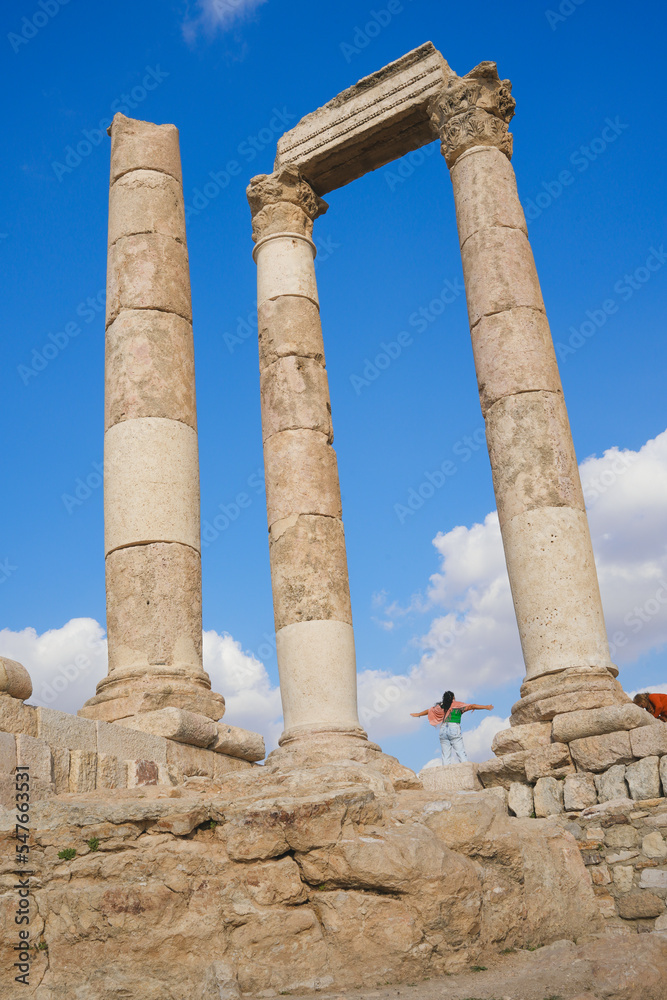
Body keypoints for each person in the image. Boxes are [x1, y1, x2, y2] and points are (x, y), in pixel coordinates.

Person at [410, 690, 494, 765]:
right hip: (454, 727)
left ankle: (446, 773)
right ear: (453, 698)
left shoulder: (441, 706)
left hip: (443, 730)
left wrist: (418, 714)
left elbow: (429, 710)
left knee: (445, 755)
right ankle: (466, 768)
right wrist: (486, 707)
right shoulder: (457, 705)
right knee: (460, 752)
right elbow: (472, 706)